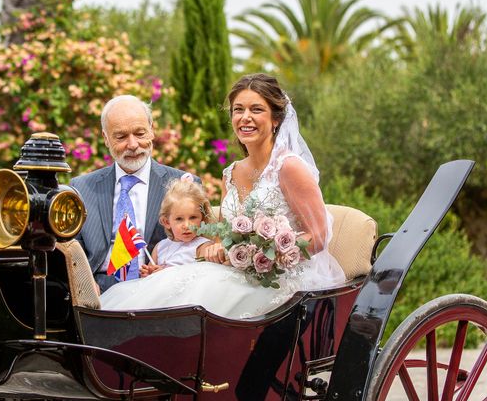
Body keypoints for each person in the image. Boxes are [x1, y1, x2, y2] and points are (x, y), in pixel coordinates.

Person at [100, 74, 345, 318]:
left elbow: (319, 236)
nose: (245, 117)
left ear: (276, 119)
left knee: (192, 300)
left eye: (256, 109)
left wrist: (267, 256)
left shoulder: (289, 167)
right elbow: (226, 239)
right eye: (238, 110)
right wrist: (219, 250)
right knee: (161, 287)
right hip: (239, 273)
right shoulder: (231, 173)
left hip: (280, 280)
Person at [71, 95, 194, 293]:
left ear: (152, 130)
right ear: (106, 138)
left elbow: (198, 247)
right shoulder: (82, 188)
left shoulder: (183, 184)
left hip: (162, 291)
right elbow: (70, 250)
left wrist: (168, 272)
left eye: (139, 133)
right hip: (98, 291)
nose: (133, 144)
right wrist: (83, 282)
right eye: (121, 137)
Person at [100, 175, 215, 308]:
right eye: (179, 219)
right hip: (154, 295)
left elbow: (202, 281)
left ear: (202, 219)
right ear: (167, 222)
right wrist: (148, 273)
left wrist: (165, 274)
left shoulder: (202, 246)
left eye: (193, 217)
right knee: (120, 295)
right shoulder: (161, 247)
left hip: (182, 300)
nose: (187, 225)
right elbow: (150, 275)